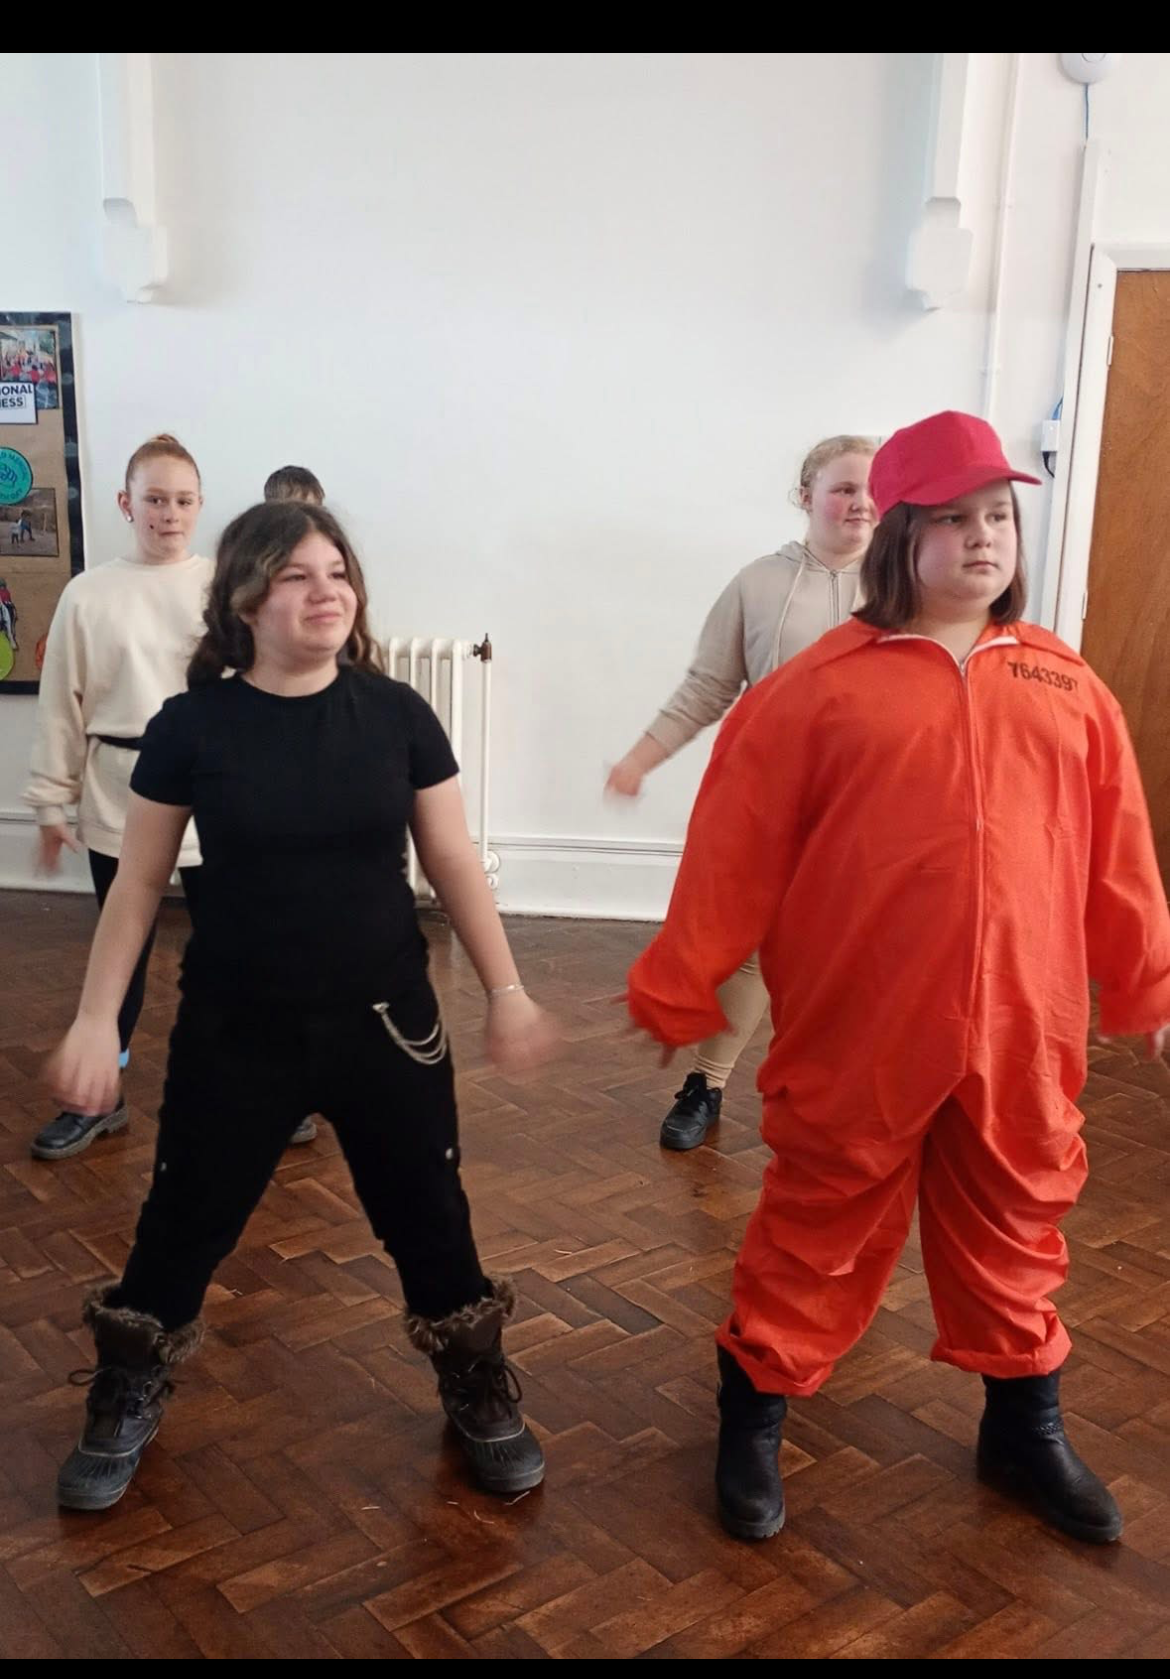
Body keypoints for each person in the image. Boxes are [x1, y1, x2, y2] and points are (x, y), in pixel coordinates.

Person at [626, 411, 1170, 1548]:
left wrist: (1149, 983)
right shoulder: (816, 689)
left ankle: (1024, 1427)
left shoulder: (1067, 684)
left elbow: (1118, 852)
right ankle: (753, 1411)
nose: (985, 537)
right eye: (956, 517)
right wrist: (684, 976)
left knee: (1018, 1215)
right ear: (901, 535)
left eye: (999, 515)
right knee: (818, 1216)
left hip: (1023, 1021)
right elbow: (733, 845)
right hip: (862, 1018)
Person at [44, 498, 558, 1512]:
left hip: (388, 1025)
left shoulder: (398, 714)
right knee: (183, 1216)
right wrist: (97, 1018)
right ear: (245, 599)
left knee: (429, 1211)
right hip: (238, 1026)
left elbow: (452, 858)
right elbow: (138, 883)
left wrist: (507, 989)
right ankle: (128, 1382)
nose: (328, 591)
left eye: (338, 572)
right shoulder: (192, 726)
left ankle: (474, 1378)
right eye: (297, 575)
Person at [23, 435, 318, 1157]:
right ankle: (99, 1095)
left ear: (200, 505)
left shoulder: (228, 587)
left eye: (183, 500)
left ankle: (265, 1088)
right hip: (119, 795)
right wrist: (52, 800)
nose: (169, 513)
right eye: (155, 499)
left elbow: (267, 687)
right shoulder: (87, 594)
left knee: (237, 950)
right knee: (119, 955)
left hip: (218, 798)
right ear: (126, 503)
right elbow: (62, 703)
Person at [607, 436, 876, 1150]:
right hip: (771, 794)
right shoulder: (758, 583)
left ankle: (835, 1093)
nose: (861, 502)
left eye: (872, 489)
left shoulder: (906, 586)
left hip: (868, 800)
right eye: (844, 488)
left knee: (851, 949)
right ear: (806, 496)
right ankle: (708, 1083)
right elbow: (708, 686)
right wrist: (641, 757)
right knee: (754, 943)